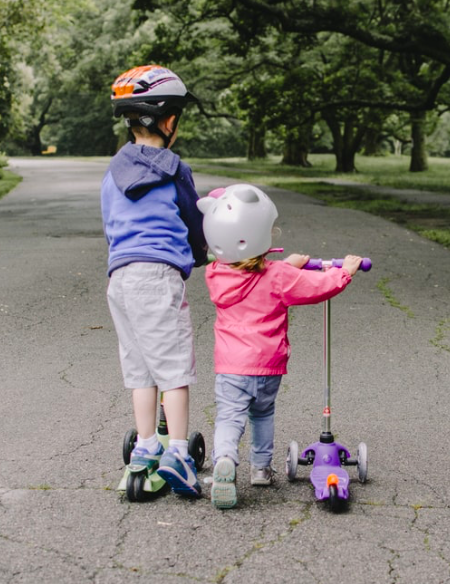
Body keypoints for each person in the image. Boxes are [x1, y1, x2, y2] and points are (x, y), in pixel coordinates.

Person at [197, 184, 363, 509]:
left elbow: (251, 272)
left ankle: (225, 460)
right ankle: (260, 469)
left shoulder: (216, 274)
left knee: (230, 418)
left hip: (231, 365)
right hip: (268, 365)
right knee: (263, 414)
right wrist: (345, 272)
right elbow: (316, 287)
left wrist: (287, 264)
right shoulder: (278, 276)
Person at [102, 65, 207, 498]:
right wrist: (203, 255)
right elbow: (194, 219)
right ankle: (179, 452)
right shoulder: (174, 169)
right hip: (157, 277)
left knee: (140, 369)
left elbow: (111, 223)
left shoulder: (112, 172)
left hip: (120, 278)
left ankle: (145, 446)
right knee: (174, 368)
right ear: (168, 122)